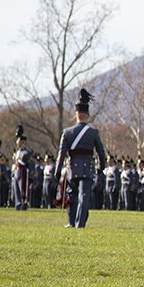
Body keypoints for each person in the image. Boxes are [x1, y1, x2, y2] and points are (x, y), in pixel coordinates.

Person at [55, 89, 107, 228]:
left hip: (72, 168)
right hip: (88, 168)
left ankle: (71, 222)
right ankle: (80, 224)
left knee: (71, 194)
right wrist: (101, 168)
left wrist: (58, 170)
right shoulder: (93, 133)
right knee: (84, 196)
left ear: (76, 114)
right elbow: (101, 153)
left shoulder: (67, 132)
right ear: (87, 115)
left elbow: (61, 154)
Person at [13, 125, 34, 211]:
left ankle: (23, 203)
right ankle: (18, 203)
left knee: (23, 188)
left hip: (23, 171)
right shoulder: (17, 152)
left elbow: (30, 163)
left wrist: (31, 174)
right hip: (17, 171)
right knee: (16, 188)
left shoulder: (27, 152)